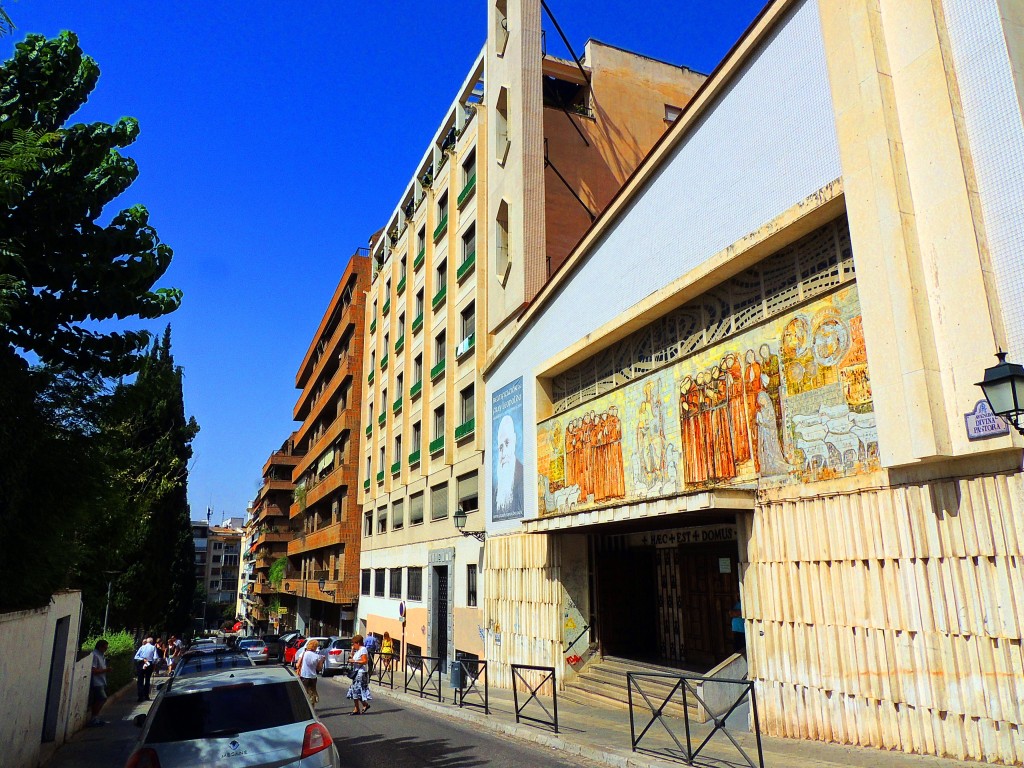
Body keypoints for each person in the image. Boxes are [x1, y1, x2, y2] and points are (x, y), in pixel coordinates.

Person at [493, 414, 524, 519]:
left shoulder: (524, 477)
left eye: (507, 443)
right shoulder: (496, 491)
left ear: (514, 440)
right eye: (500, 447)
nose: (504, 452)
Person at [87, 639, 112, 727]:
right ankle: (94, 718)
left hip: (101, 680)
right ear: (100, 647)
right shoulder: (95, 655)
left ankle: (95, 718)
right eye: (105, 648)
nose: (106, 649)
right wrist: (106, 670)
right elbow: (93, 670)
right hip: (96, 682)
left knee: (100, 699)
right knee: (102, 698)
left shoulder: (101, 655)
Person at [346, 634, 372, 715]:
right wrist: (352, 651)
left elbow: (365, 661)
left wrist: (354, 661)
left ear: (358, 643)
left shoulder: (363, 649)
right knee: (355, 690)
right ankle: (359, 707)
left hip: (361, 673)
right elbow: (352, 658)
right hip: (356, 672)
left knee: (357, 690)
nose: (353, 645)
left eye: (354, 644)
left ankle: (359, 707)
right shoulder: (357, 651)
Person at [295, 638, 324, 707]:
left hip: (304, 675)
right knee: (312, 693)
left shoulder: (303, 654)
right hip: (313, 677)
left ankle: (304, 707)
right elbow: (319, 668)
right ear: (315, 647)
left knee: (304, 692)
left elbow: (297, 665)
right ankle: (312, 707)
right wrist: (322, 661)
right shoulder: (318, 656)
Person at [134, 636, 159, 702]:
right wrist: (154, 664)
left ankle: (140, 696)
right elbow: (155, 658)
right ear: (152, 642)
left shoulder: (142, 647)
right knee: (147, 680)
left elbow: (136, 656)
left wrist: (143, 659)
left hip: (142, 663)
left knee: (140, 680)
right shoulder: (153, 647)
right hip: (149, 663)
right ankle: (146, 695)